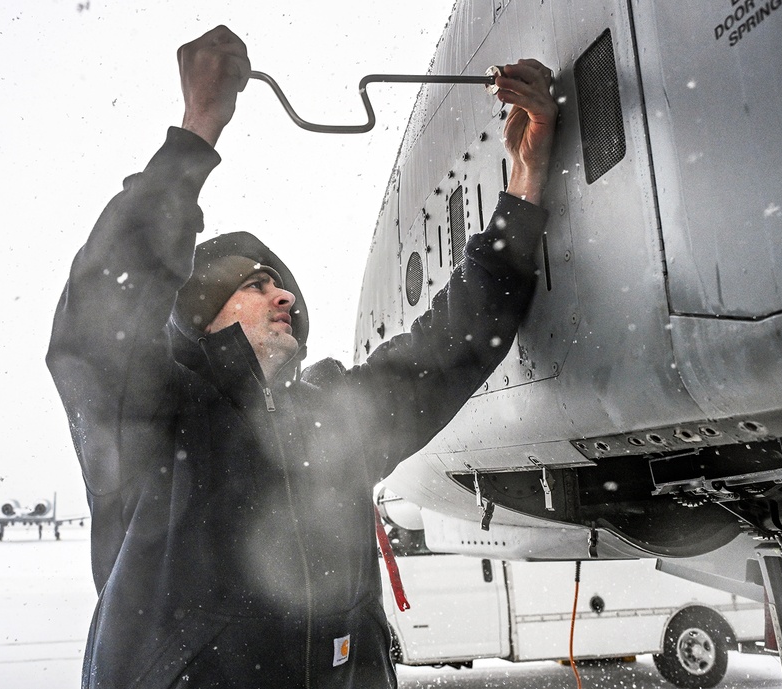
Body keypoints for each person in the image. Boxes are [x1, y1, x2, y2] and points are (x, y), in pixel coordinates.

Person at [47, 24, 557, 689]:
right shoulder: (151, 415)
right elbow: (100, 312)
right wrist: (195, 133)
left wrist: (526, 175)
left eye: (280, 282)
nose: (282, 293)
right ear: (204, 315)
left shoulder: (336, 418)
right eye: (254, 284)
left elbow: (456, 340)